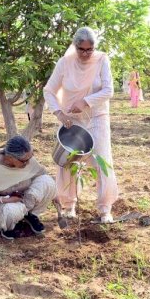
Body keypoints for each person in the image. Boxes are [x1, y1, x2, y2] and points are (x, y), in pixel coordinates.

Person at [43, 27, 118, 223]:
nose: (85, 54)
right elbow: (49, 90)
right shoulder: (64, 63)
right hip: (72, 120)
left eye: (89, 49)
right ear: (74, 46)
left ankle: (105, 209)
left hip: (96, 117)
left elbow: (109, 90)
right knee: (69, 162)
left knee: (102, 161)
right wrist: (59, 113)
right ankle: (69, 205)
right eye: (81, 49)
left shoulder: (102, 60)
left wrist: (85, 101)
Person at [0, 136, 56, 240]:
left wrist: (55, 193)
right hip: (1, 205)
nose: (28, 163)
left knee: (48, 182)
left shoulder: (26, 158)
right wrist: (7, 200)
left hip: (23, 199)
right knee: (11, 210)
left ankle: (29, 216)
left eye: (30, 158)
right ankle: (8, 227)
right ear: (10, 157)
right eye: (24, 161)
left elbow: (41, 173)